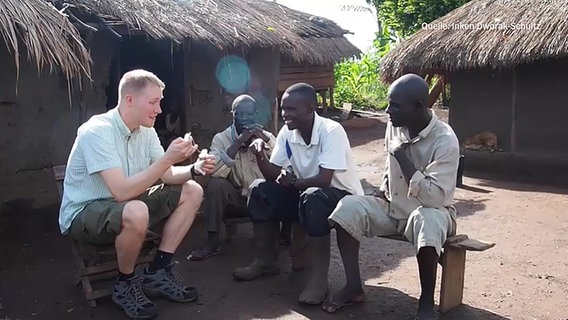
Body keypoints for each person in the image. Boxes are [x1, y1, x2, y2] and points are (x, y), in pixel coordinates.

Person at [58, 69, 216, 320]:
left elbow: (166, 175)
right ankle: (125, 284)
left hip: (126, 206)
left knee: (192, 190)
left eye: (160, 102)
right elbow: (121, 192)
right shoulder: (98, 131)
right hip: (86, 212)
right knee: (136, 209)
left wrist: (194, 169)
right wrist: (167, 158)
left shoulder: (146, 130)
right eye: (153, 102)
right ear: (129, 100)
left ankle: (159, 270)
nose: (159, 110)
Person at [325, 74, 460, 320]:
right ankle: (354, 287)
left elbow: (433, 199)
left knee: (426, 219)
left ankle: (426, 301)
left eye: (395, 105)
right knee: (347, 208)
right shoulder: (395, 123)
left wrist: (403, 158)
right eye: (389, 103)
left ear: (419, 106)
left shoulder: (445, 140)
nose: (387, 110)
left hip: (435, 212)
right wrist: (382, 188)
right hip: (393, 206)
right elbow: (389, 165)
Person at [231, 83, 364, 306]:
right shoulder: (288, 132)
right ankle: (266, 261)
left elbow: (324, 179)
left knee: (313, 197)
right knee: (259, 189)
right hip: (305, 192)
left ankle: (319, 280)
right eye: (283, 108)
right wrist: (260, 155)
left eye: (291, 109)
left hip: (341, 197)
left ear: (310, 108)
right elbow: (273, 174)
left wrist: (293, 182)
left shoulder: (331, 131)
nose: (285, 114)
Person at [187, 94, 276, 261]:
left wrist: (265, 141)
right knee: (216, 185)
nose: (245, 118)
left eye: (249, 114)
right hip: (237, 200)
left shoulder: (265, 135)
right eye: (240, 114)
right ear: (232, 114)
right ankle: (213, 241)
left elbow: (282, 162)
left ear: (255, 114)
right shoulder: (221, 139)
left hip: (263, 198)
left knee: (280, 185)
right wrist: (238, 143)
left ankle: (282, 238)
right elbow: (214, 171)